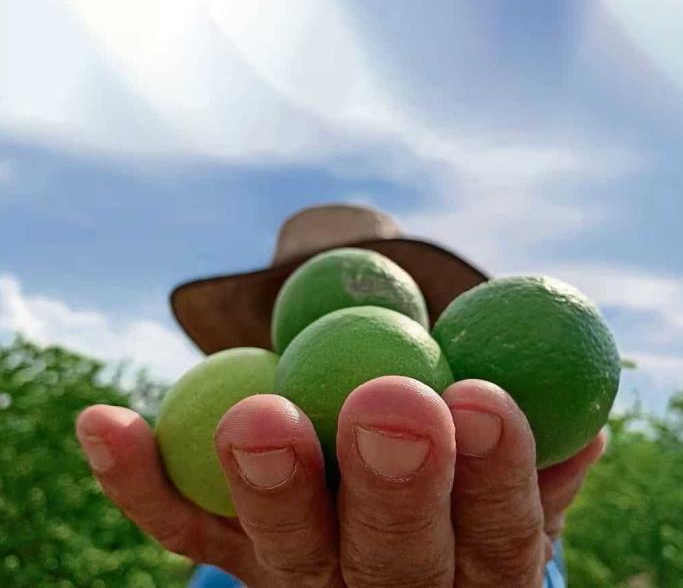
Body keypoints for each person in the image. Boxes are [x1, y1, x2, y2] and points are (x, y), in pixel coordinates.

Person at [76, 204, 606, 587]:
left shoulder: (512, 543)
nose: (341, 310)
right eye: (305, 283)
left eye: (363, 279)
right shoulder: (225, 566)